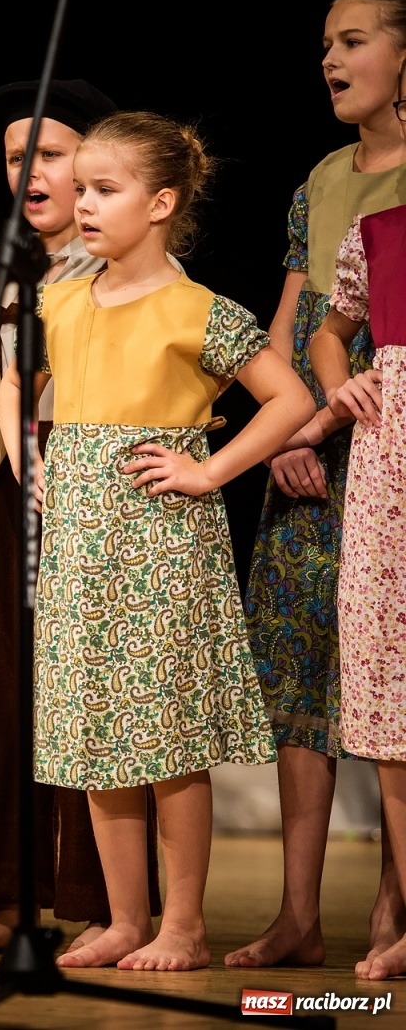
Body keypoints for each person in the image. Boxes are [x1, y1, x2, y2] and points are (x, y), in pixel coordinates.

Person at [1, 112, 314, 971]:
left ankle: (182, 923)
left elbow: (287, 401)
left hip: (161, 540)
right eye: (83, 188)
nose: (84, 203)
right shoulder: (60, 298)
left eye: (107, 190)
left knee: (165, 735)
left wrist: (211, 472)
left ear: (162, 201)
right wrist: (28, 460)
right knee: (96, 729)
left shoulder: (193, 308)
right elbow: (14, 381)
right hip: (77, 543)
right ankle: (126, 918)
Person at [0, 79, 160, 956]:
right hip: (15, 495)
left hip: (103, 490)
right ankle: (16, 893)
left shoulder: (123, 259)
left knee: (101, 700)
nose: (29, 171)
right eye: (13, 156)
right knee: (9, 699)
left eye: (50, 152)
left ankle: (112, 900)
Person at [231, 0, 406, 970]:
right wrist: (283, 423)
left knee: (385, 682)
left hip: (389, 444)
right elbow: (295, 313)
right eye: (325, 46)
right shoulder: (322, 176)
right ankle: (297, 913)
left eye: (353, 42)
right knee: (299, 675)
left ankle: (392, 909)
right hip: (308, 454)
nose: (332, 62)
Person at [315, 202, 406, 979]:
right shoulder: (379, 233)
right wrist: (342, 386)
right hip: (391, 465)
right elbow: (327, 329)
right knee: (389, 691)